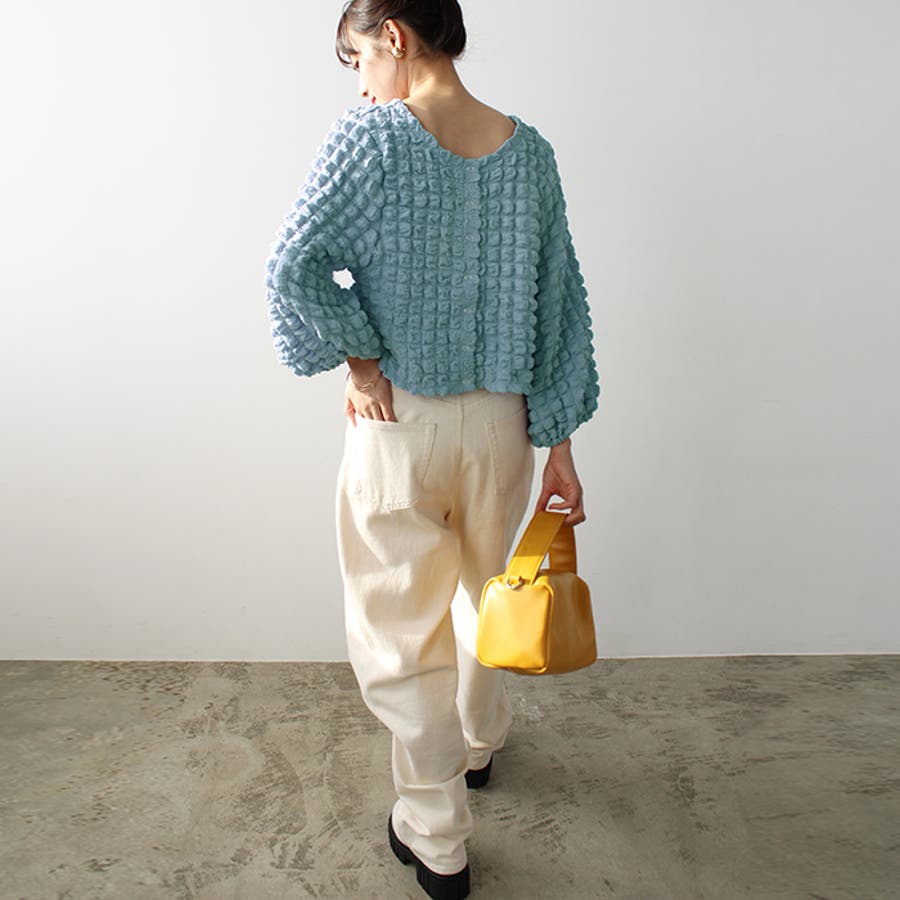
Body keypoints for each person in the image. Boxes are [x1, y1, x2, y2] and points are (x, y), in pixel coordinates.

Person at [263, 2, 600, 897]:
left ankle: (438, 835)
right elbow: (560, 305)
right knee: (489, 594)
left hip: (400, 428)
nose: (360, 84)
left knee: (399, 634)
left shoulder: (370, 139)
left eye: (358, 59)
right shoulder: (530, 152)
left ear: (396, 37)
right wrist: (560, 443)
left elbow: (292, 264)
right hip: (501, 428)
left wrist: (362, 362)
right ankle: (479, 745)